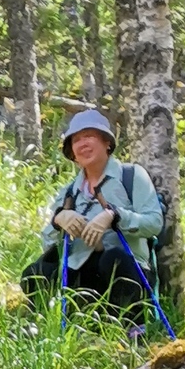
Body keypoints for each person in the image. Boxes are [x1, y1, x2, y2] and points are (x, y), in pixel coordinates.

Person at [22, 106, 165, 318]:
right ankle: (66, 320)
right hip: (82, 271)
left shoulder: (132, 176)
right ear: (72, 151)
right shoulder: (70, 191)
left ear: (107, 142)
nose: (82, 144)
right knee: (33, 275)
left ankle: (132, 327)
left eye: (89, 136)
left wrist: (114, 216)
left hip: (126, 271)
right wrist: (58, 220)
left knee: (114, 258)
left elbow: (154, 223)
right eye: (76, 140)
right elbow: (48, 245)